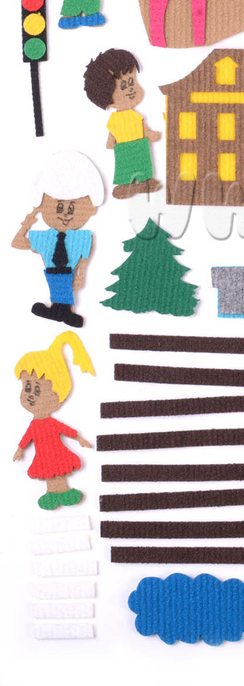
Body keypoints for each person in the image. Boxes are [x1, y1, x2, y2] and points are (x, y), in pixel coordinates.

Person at [12, 151, 104, 328]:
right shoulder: (45, 237)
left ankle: (63, 312)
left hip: (68, 272)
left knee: (64, 290)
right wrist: (26, 224)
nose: (65, 214)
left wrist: (80, 275)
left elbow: (84, 257)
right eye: (59, 207)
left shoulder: (81, 237)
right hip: (53, 272)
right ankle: (59, 311)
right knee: (57, 289)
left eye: (71, 208)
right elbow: (17, 243)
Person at [12, 332, 95, 510]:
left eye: (37, 390)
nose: (31, 396)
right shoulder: (35, 425)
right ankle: (52, 493)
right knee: (48, 471)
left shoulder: (50, 423)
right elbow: (27, 437)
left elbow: (65, 429)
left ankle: (65, 492)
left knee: (59, 468)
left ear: (57, 395)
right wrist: (20, 449)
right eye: (27, 387)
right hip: (44, 455)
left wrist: (79, 438)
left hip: (56, 452)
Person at [83, 48, 162, 199]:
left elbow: (142, 128)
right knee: (124, 168)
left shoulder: (133, 115)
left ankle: (145, 181)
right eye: (124, 85)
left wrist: (150, 134)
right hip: (124, 148)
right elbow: (113, 133)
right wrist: (111, 142)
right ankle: (125, 185)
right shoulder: (116, 119)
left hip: (139, 145)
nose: (130, 89)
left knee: (142, 164)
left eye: (131, 81)